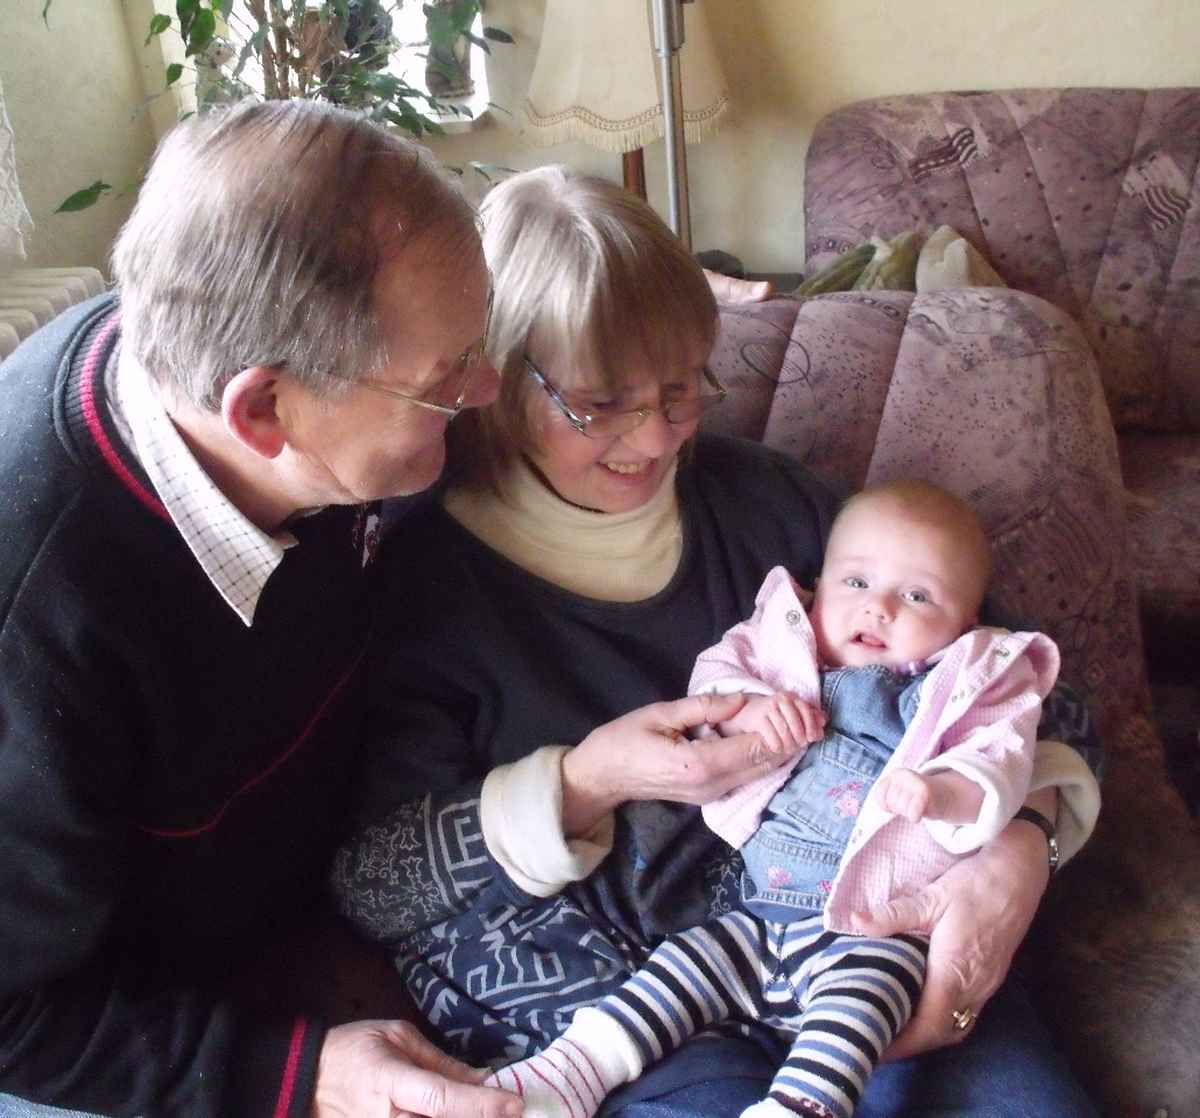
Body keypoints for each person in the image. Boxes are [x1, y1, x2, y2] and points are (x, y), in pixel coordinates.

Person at [2, 102, 796, 1118]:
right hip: (137, 1032)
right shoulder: (37, 614)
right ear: (263, 410)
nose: (487, 391)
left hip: (316, 915)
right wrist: (293, 1075)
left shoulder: (273, 374)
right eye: (444, 380)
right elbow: (15, 1015)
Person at [334, 166, 1103, 1117]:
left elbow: (1033, 687)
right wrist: (585, 781)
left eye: (680, 388)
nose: (656, 439)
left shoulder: (772, 503)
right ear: (493, 379)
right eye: (599, 402)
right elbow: (373, 885)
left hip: (870, 939)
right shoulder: (422, 581)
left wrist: (1024, 845)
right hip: (614, 999)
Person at [481, 481, 1068, 1118]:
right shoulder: (778, 639)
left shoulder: (966, 686)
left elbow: (1000, 760)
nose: (878, 609)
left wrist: (942, 791)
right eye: (856, 582)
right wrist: (747, 712)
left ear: (967, 625)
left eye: (917, 596)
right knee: (681, 966)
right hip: (757, 910)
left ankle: (801, 1105)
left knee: (861, 1005)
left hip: (873, 926)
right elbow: (714, 680)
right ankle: (569, 1073)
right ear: (819, 587)